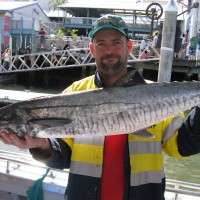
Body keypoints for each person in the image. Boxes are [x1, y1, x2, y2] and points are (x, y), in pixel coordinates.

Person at [0, 14, 200, 200]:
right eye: (101, 43)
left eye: (116, 42)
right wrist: (40, 145)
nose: (109, 50)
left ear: (129, 46)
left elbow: (181, 146)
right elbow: (62, 157)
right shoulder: (74, 92)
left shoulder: (154, 93)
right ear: (92, 49)